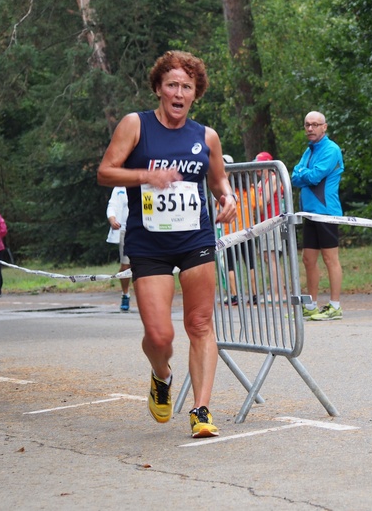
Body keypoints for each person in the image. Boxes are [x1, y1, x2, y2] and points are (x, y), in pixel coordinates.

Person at [96, 50, 237, 438]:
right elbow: (105, 172)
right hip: (149, 244)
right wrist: (146, 175)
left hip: (195, 238)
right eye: (172, 85)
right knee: (160, 336)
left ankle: (201, 410)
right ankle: (161, 375)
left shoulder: (205, 136)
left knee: (200, 323)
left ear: (195, 94)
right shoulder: (135, 125)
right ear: (159, 89)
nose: (179, 93)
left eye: (186, 87)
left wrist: (228, 196)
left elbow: (218, 180)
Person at [291, 111, 345, 321]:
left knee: (330, 259)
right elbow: (295, 177)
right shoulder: (309, 150)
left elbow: (314, 176)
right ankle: (311, 305)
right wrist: (303, 174)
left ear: (325, 127)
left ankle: (334, 306)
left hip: (327, 213)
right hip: (309, 213)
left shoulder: (331, 149)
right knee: (308, 259)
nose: (310, 129)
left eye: (315, 125)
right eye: (307, 125)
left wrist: (303, 173)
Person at [220, 154, 258, 306]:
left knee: (230, 265)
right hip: (247, 231)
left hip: (230, 232)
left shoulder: (224, 192)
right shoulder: (249, 190)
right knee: (251, 264)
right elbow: (258, 205)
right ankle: (254, 294)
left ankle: (235, 296)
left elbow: (218, 208)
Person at [255, 152, 287, 301]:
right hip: (264, 222)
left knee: (272, 257)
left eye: (260, 165)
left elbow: (263, 201)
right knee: (268, 257)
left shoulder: (273, 178)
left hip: (272, 222)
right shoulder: (262, 181)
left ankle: (278, 293)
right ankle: (275, 290)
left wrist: (253, 199)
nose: (257, 168)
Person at [106, 186, 132, 311]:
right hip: (125, 230)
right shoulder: (119, 188)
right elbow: (112, 206)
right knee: (126, 265)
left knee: (144, 265)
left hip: (145, 229)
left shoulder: (144, 182)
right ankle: (125, 294)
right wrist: (112, 219)